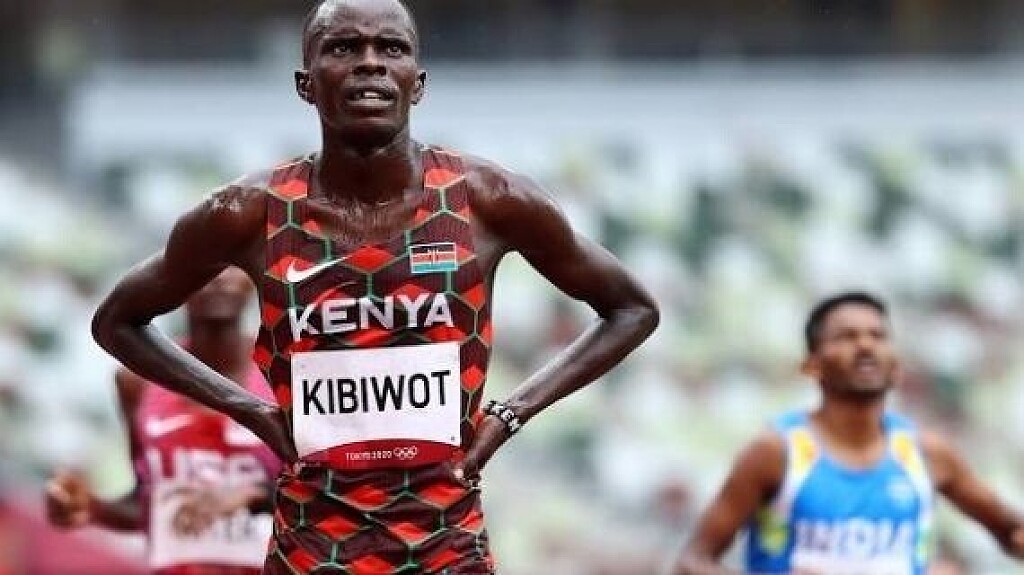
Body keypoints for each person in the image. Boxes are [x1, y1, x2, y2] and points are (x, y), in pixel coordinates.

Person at [90, 0, 660, 572]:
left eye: (391, 48)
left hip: (445, 548)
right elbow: (117, 321)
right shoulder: (249, 212)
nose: (370, 63)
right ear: (305, 84)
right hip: (312, 551)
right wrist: (251, 410)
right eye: (344, 47)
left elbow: (632, 309)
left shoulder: (488, 200)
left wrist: (512, 413)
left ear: (418, 83)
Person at [673, 292, 1024, 574]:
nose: (866, 345)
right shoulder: (776, 452)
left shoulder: (927, 452)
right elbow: (691, 564)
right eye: (846, 336)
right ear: (811, 365)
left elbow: (1012, 532)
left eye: (878, 336)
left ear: (896, 366)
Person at [50, 268, 281, 574]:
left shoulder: (282, 373)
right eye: (205, 261)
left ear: (252, 275)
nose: (218, 276)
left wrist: (254, 494)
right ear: (177, 268)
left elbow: (323, 492)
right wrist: (91, 507)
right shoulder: (137, 382)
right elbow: (146, 502)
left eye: (231, 263)